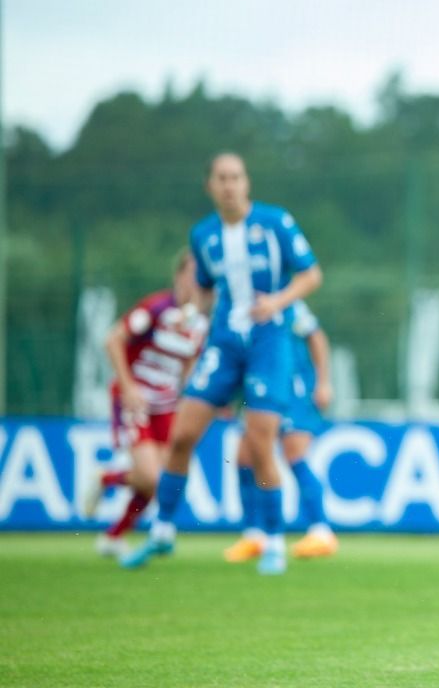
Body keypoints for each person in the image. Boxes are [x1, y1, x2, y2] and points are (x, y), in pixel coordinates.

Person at [121, 152, 322, 576]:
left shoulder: (274, 222)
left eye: (236, 177)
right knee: (182, 436)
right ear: (210, 186)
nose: (229, 185)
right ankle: (162, 530)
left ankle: (272, 540)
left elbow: (311, 275)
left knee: (260, 443)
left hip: (269, 342)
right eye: (222, 178)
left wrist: (278, 302)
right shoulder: (203, 235)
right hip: (224, 345)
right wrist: (192, 317)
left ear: (246, 183)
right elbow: (206, 291)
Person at [86, 250, 208, 558]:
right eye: (191, 273)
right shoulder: (157, 308)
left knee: (164, 481)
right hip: (136, 401)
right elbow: (113, 339)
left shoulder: (200, 324)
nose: (196, 281)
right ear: (178, 275)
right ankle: (107, 479)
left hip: (167, 405)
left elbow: (188, 365)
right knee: (152, 478)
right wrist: (128, 387)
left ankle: (114, 535)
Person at [222, 299, 339, 562]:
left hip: (293, 389)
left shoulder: (287, 302)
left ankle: (321, 531)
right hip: (259, 391)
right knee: (244, 458)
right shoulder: (238, 304)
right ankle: (254, 535)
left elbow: (316, 337)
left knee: (294, 454)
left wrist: (323, 382)